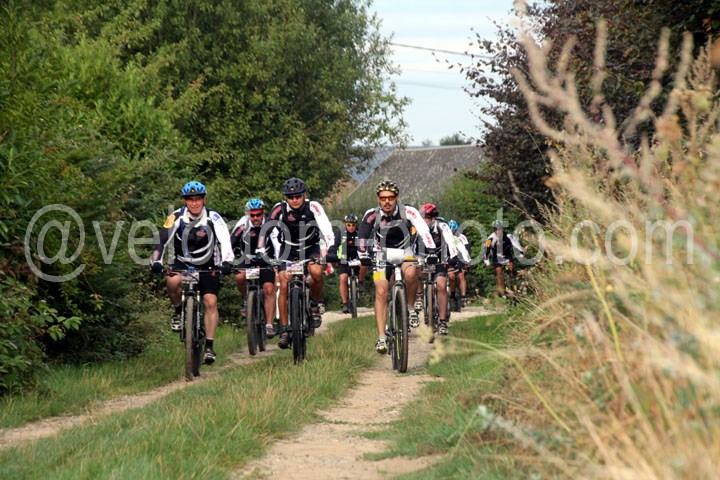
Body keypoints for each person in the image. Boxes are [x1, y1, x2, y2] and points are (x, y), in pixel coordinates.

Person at [151, 181, 234, 365]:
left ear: (204, 200)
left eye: (198, 199)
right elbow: (161, 239)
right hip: (182, 262)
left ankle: (209, 346)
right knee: (172, 282)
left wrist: (227, 261)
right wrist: (156, 260)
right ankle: (178, 310)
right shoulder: (176, 216)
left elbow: (225, 241)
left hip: (208, 263)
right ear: (185, 201)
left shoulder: (214, 217)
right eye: (190, 200)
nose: (194, 203)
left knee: (210, 302)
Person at [357, 180, 438, 354]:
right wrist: (362, 254)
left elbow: (424, 231)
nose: (387, 201)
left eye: (391, 198)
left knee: (411, 274)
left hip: (405, 252)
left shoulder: (408, 211)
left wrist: (431, 250)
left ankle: (410, 308)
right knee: (381, 290)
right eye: (383, 198)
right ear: (378, 199)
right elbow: (362, 235)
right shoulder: (372, 214)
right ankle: (381, 337)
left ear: (397, 198)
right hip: (381, 254)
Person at [259, 177, 335, 349]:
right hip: (288, 250)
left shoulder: (313, 207)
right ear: (285, 197)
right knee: (284, 284)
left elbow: (326, 228)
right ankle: (285, 329)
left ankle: (314, 305)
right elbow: (266, 230)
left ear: (304, 195)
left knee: (316, 272)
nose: (294, 200)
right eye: (290, 197)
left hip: (310, 248)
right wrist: (261, 251)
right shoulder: (279, 209)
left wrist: (331, 248)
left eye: (298, 196)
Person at [230, 198, 277, 338]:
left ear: (263, 213)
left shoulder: (269, 224)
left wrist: (277, 261)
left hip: (267, 259)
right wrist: (227, 260)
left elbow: (278, 243)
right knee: (239, 277)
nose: (255, 218)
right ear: (248, 214)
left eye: (258, 214)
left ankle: (269, 324)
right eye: (252, 215)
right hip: (247, 258)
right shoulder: (243, 223)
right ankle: (246, 300)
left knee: (268, 288)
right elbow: (231, 242)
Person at [419, 204, 462, 335]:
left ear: (433, 217)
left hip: (440, 259)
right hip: (424, 258)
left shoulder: (442, 226)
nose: (424, 220)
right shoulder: (418, 226)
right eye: (422, 217)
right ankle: (418, 301)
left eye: (426, 217)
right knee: (414, 274)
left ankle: (442, 322)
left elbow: (450, 241)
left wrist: (453, 256)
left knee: (441, 286)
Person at [326, 213, 368, 314]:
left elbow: (367, 245)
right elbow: (334, 246)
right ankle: (345, 303)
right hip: (344, 259)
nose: (351, 227)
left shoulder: (359, 234)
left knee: (365, 263)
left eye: (353, 225)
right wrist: (332, 255)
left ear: (356, 225)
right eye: (349, 225)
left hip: (357, 258)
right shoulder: (340, 234)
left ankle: (361, 282)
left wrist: (368, 254)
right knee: (343, 278)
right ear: (345, 224)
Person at [482, 219, 525, 298]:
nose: (498, 231)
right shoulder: (491, 238)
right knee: (498, 271)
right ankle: (502, 293)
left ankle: (513, 285)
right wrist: (487, 262)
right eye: (496, 229)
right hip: (497, 257)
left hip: (507, 255)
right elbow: (486, 251)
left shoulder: (508, 236)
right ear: (494, 230)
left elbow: (517, 245)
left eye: (499, 229)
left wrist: (521, 253)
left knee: (511, 267)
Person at [448, 219, 471, 306]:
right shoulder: (445, 236)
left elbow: (466, 250)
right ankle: (452, 295)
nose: (452, 233)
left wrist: (467, 262)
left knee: (461, 275)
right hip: (449, 258)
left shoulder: (461, 237)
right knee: (451, 276)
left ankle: (463, 296)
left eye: (454, 231)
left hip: (460, 257)